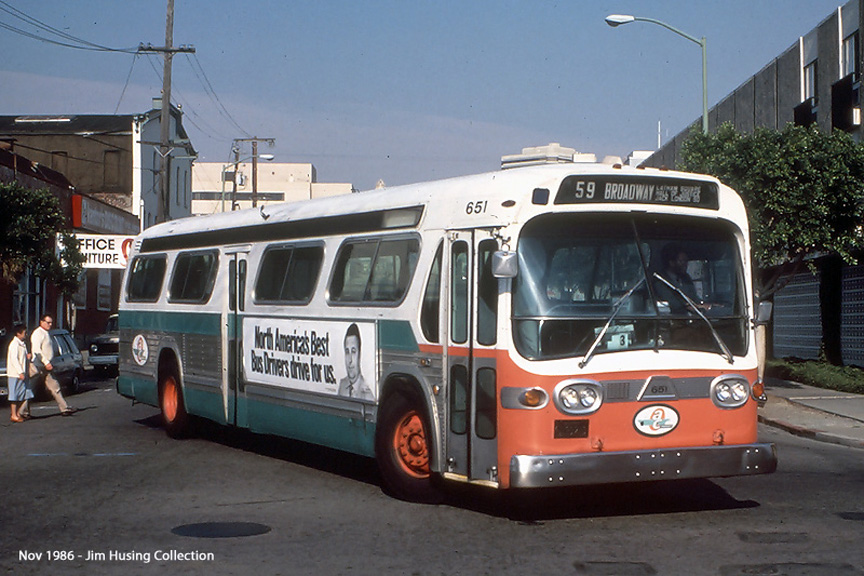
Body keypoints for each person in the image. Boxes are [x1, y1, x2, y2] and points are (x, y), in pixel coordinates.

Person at [31, 313, 77, 416]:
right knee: (31, 388)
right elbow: (36, 350)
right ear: (41, 322)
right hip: (38, 366)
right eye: (48, 322)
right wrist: (46, 362)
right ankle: (22, 412)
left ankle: (64, 408)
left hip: (46, 367)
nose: (50, 325)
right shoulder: (38, 334)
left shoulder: (46, 333)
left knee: (55, 386)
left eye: (51, 323)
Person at [337, 323, 374, 400]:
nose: (350, 360)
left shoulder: (367, 394)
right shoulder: (342, 385)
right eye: (347, 352)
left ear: (359, 355)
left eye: (353, 352)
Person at [6, 324, 33, 423]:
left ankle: (17, 413)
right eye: (24, 332)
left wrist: (28, 357)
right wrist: (20, 372)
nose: (26, 334)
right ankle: (13, 414)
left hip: (22, 374)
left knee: (21, 394)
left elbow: (22, 358)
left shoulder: (22, 344)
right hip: (15, 374)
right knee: (14, 395)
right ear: (18, 333)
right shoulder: (14, 345)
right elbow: (14, 360)